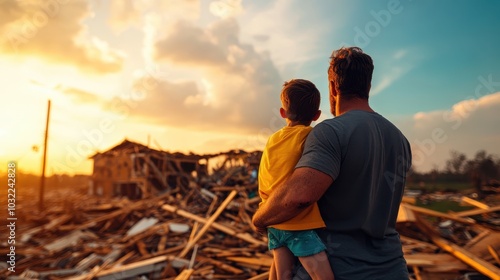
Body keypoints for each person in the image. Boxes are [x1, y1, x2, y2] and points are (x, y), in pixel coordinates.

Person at [253, 47, 412, 280]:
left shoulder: (330, 132)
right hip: (392, 270)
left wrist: (260, 218)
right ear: (368, 87)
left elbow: (299, 196)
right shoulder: (400, 139)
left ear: (333, 87)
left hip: (338, 268)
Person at [257, 79, 334, 280]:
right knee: (323, 276)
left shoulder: (272, 139)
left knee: (281, 275)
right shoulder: (310, 135)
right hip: (297, 224)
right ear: (317, 116)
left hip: (273, 221)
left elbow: (265, 174)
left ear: (282, 113)